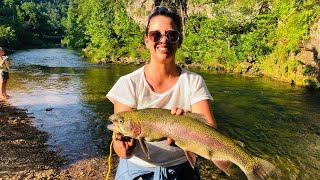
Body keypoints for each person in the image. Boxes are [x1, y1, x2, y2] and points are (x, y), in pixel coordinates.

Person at [107, 5, 217, 180]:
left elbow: (212, 131)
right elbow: (122, 152)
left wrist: (191, 124)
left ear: (179, 41)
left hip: (183, 168)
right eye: (156, 35)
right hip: (138, 169)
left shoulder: (194, 81)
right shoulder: (128, 84)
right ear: (146, 40)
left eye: (171, 35)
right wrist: (126, 148)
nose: (163, 40)